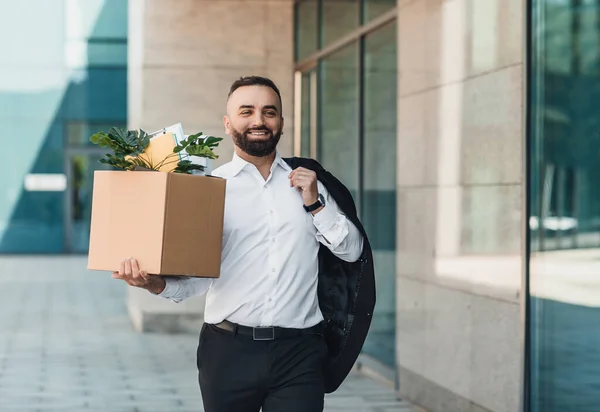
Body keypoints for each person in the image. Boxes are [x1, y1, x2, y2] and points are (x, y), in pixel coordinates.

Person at [112, 76, 375, 412]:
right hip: (227, 352)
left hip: (300, 352)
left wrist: (316, 204)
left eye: (269, 112)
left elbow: (352, 251)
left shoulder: (311, 183)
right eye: (246, 111)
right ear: (227, 123)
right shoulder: (209, 190)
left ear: (281, 122)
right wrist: (154, 284)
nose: (258, 120)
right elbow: (198, 279)